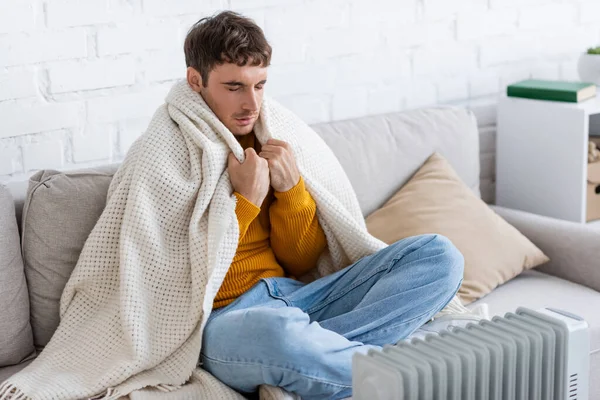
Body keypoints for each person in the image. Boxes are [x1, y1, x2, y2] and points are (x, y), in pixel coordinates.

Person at [185, 10, 464, 400]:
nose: (252, 103)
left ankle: (311, 364)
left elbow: (302, 261)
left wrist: (291, 188)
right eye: (234, 87)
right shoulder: (170, 153)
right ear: (195, 82)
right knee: (276, 334)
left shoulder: (273, 136)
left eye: (260, 85)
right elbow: (179, 271)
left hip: (298, 296)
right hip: (229, 321)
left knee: (439, 256)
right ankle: (387, 378)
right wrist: (246, 202)